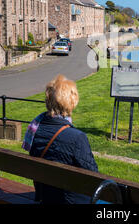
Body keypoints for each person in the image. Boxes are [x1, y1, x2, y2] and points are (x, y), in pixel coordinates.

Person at [22, 75, 98, 204]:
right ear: (72, 102)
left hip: (45, 196)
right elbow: (93, 176)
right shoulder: (77, 137)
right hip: (70, 200)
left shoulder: (34, 129)